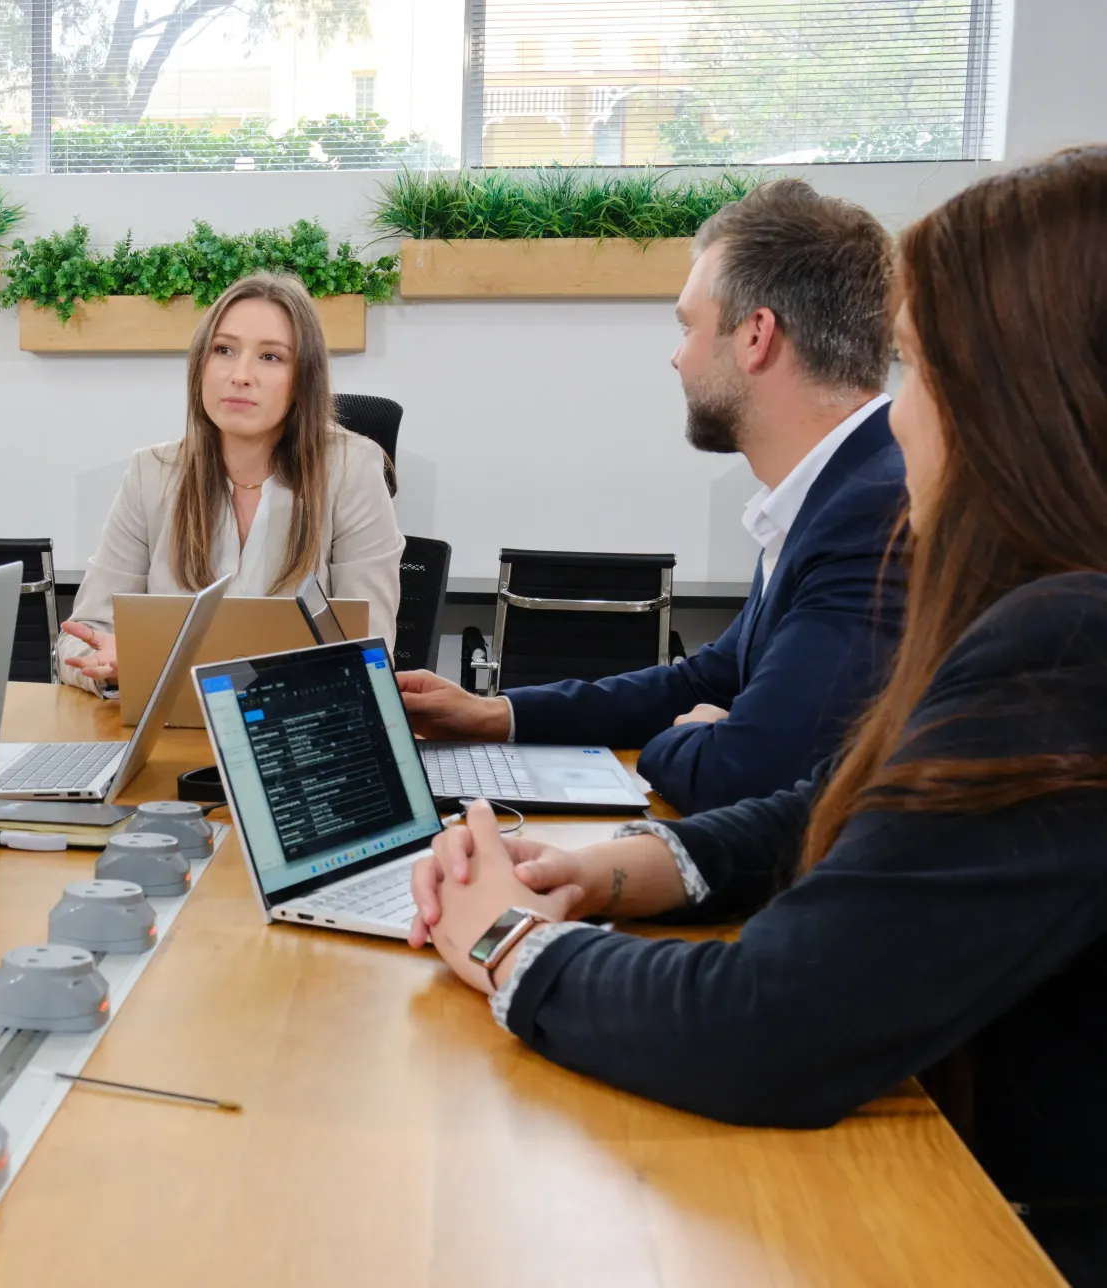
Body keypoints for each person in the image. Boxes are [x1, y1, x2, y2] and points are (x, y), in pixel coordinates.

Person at [406, 149, 1107, 1284]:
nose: (898, 412)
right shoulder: (1046, 607)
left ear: (1015, 396)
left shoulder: (1069, 646)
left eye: (918, 369)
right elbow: (871, 806)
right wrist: (630, 866)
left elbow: (766, 1024)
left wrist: (504, 939)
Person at [399, 179, 908, 815]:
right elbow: (707, 680)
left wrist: (686, 738)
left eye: (688, 327)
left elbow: (743, 770)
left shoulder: (874, 511)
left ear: (756, 336)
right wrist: (492, 712)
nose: (677, 359)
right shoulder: (829, 492)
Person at [58, 272, 404, 692]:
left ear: (303, 379)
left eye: (271, 357)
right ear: (200, 366)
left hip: (292, 735)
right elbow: (80, 639)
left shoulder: (351, 470)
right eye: (223, 350)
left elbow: (369, 651)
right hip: (167, 734)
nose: (240, 375)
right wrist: (108, 668)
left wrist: (177, 668)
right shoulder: (152, 473)